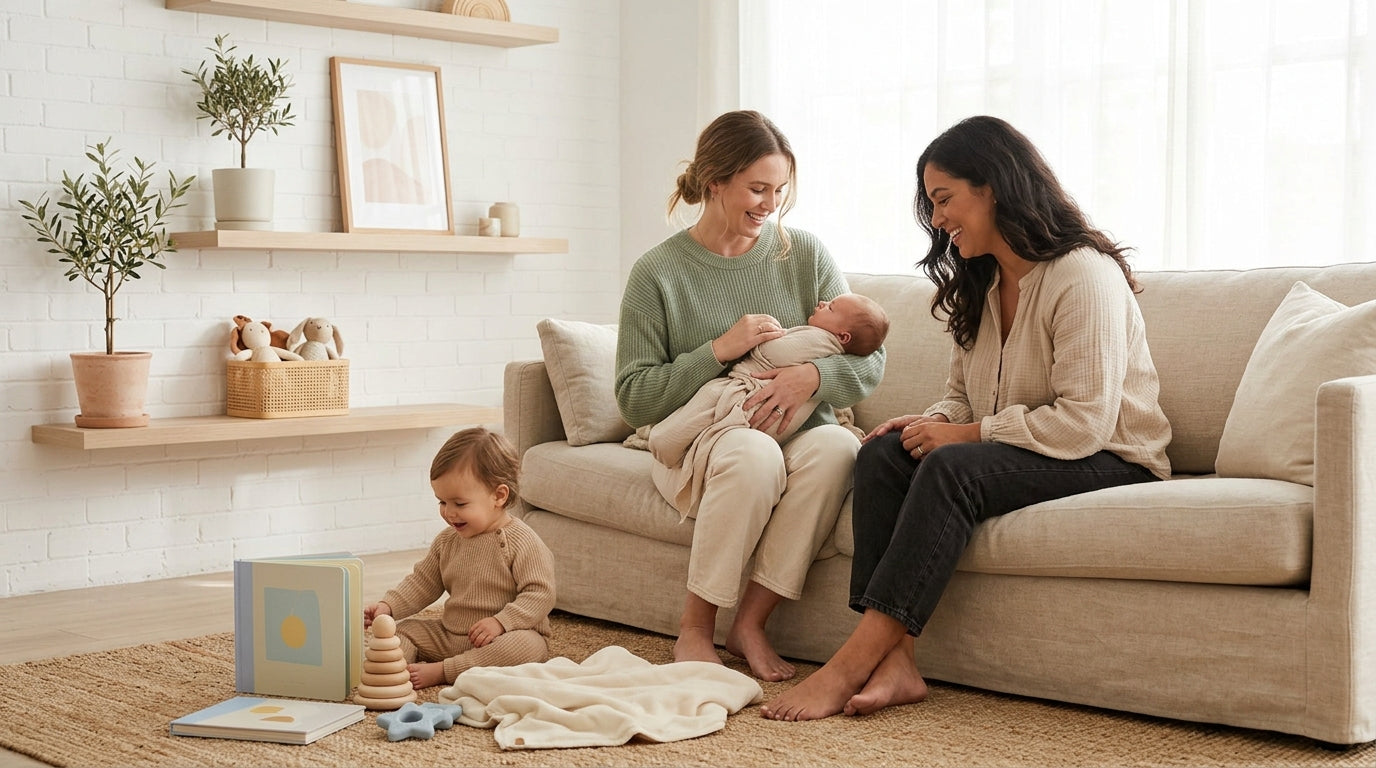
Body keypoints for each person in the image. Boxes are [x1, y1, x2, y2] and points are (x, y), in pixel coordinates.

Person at [761, 115, 1173, 720]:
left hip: (1111, 457)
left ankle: (849, 665)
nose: (938, 219)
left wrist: (964, 435)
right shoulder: (981, 282)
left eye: (944, 199)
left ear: (995, 187)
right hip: (1031, 446)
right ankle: (896, 663)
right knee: (881, 453)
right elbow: (961, 397)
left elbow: (1084, 421)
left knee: (954, 467)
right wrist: (926, 423)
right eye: (931, 205)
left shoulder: (1082, 275)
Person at [615, 110, 886, 682]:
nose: (769, 205)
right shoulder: (656, 273)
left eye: (779, 191)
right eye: (757, 188)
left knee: (839, 447)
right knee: (753, 454)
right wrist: (718, 350)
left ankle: (752, 623)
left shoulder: (804, 253)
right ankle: (696, 626)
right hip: (700, 440)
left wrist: (812, 380)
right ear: (715, 180)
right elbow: (636, 400)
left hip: (796, 431)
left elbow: (869, 359)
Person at [364, 427, 556, 689]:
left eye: (460, 504)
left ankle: (445, 671)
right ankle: (393, 671)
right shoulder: (447, 541)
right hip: (450, 634)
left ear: (499, 496)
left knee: (526, 647)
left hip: (505, 636)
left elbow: (540, 594)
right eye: (441, 502)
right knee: (402, 631)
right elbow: (422, 583)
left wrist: (501, 622)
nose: (448, 513)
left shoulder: (522, 541)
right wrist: (389, 607)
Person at [647, 293, 890, 499]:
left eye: (830, 307)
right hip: (749, 417)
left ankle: (661, 442)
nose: (821, 303)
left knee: (703, 414)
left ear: (843, 336)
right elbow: (636, 396)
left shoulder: (822, 338)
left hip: (750, 402)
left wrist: (815, 375)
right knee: (716, 428)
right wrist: (720, 349)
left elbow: (873, 355)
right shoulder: (827, 334)